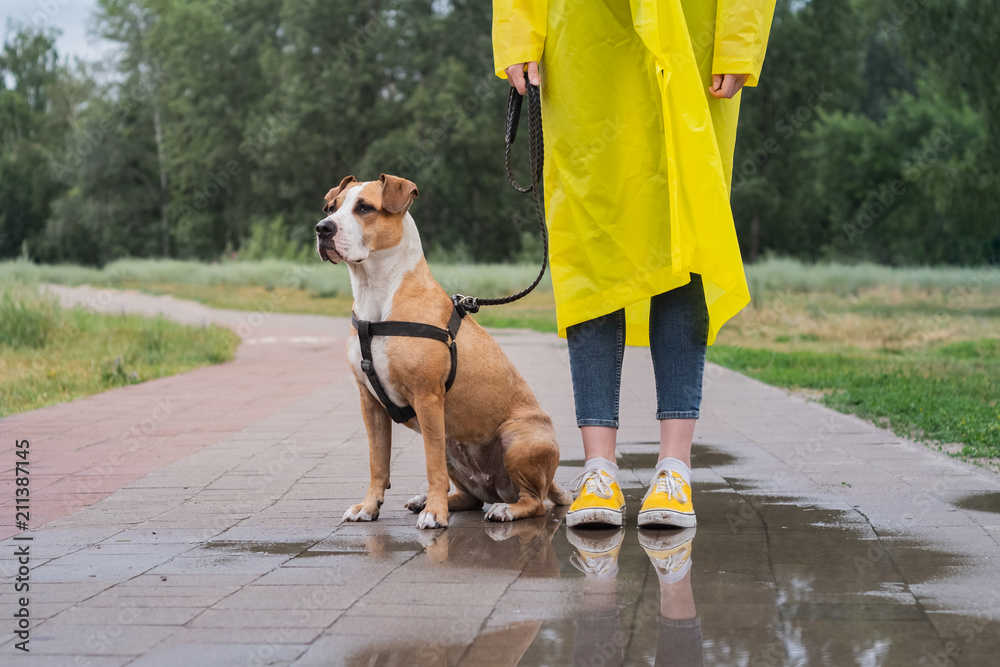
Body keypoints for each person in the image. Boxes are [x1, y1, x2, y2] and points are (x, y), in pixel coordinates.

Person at [491, 0, 776, 529]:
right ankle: (599, 469)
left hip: (689, 36)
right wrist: (517, 34)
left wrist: (740, 40)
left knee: (682, 242)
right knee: (590, 252)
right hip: (582, 40)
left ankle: (675, 469)